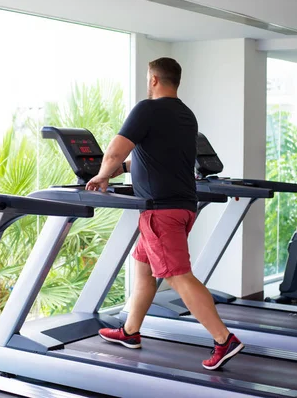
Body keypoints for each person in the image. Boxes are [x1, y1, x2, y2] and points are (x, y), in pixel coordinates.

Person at [85, 57, 243, 370]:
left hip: (161, 210)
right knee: (144, 270)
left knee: (176, 275)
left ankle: (224, 339)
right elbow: (154, 159)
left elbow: (117, 149)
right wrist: (120, 171)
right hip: (183, 206)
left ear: (154, 79)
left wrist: (102, 174)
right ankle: (130, 331)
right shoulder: (186, 115)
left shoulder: (147, 109)